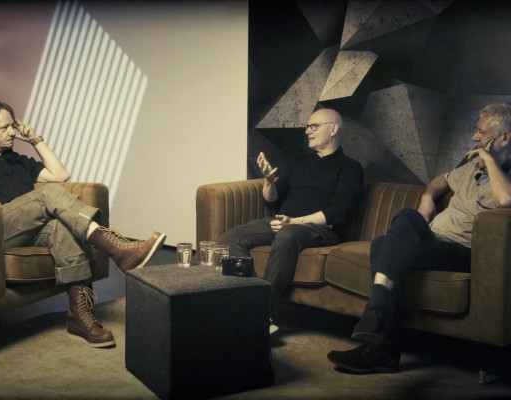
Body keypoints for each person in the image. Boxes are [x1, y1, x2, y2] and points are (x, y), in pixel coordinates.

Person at [0, 100, 166, 349]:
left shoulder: (18, 160)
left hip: (25, 230)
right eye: (5, 127)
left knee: (63, 228)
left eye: (13, 126)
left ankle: (79, 316)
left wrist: (35, 140)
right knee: (47, 194)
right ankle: (116, 247)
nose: (13, 132)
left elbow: (60, 175)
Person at [327, 101, 511, 374]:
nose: (475, 137)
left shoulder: (498, 173)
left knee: (382, 246)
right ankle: (376, 316)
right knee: (402, 223)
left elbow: (505, 200)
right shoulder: (472, 166)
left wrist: (490, 160)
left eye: (482, 133)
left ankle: (381, 343)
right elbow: (441, 179)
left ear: (505, 138)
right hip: (433, 240)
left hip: (461, 251)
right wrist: (427, 196)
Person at [218, 108, 364, 333]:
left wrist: (295, 222)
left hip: (319, 230)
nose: (307, 131)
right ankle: (250, 300)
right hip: (282, 222)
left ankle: (260, 311)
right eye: (307, 127)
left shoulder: (350, 168)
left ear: (333, 129)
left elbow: (337, 212)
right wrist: (269, 181)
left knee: (287, 234)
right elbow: (272, 200)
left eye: (314, 126)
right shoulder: (300, 162)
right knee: (229, 238)